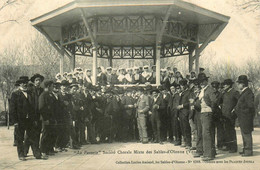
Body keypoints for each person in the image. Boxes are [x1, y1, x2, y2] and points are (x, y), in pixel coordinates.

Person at [11, 76, 43, 161]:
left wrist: (35, 119)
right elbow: (12, 109)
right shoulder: (15, 94)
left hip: (30, 120)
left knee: (33, 137)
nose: (25, 84)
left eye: (26, 83)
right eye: (23, 83)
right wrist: (15, 121)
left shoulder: (30, 93)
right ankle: (21, 155)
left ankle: (37, 154)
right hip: (20, 120)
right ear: (20, 84)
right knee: (20, 138)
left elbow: (33, 107)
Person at [24, 74, 45, 157]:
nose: (38, 82)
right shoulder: (30, 90)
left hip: (39, 115)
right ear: (33, 81)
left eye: (39, 80)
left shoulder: (42, 91)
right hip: (31, 114)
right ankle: (29, 151)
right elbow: (29, 103)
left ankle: (33, 152)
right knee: (29, 134)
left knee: (37, 133)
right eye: (36, 80)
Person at [234, 75, 255, 157]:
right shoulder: (244, 92)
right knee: (244, 133)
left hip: (246, 117)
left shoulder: (248, 93)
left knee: (246, 134)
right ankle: (246, 149)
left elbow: (250, 106)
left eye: (239, 83)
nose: (238, 85)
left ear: (243, 84)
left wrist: (241, 110)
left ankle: (248, 151)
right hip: (243, 117)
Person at [198, 73, 215, 161]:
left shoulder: (209, 90)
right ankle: (209, 153)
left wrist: (210, 110)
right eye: (200, 81)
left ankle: (208, 154)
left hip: (207, 112)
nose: (201, 83)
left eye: (203, 81)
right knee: (206, 133)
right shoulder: (203, 90)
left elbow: (213, 101)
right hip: (203, 112)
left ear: (206, 81)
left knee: (206, 133)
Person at [39, 80, 58, 159]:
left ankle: (49, 149)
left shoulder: (50, 95)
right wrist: (45, 119)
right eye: (52, 86)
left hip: (51, 118)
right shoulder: (43, 95)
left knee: (51, 134)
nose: (53, 87)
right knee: (45, 135)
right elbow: (41, 108)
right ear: (48, 86)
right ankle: (43, 151)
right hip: (46, 119)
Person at [219, 79, 239, 152]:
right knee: (226, 131)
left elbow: (239, 102)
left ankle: (233, 147)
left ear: (229, 85)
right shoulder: (224, 93)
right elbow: (219, 101)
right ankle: (228, 146)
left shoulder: (234, 92)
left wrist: (234, 110)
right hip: (224, 115)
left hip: (231, 115)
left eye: (225, 84)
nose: (223, 86)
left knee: (231, 131)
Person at [177, 79, 191, 149]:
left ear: (186, 85)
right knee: (182, 128)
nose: (181, 87)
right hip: (181, 113)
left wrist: (182, 106)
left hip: (185, 112)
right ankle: (185, 141)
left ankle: (188, 143)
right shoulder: (182, 93)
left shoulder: (189, 92)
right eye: (180, 85)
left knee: (186, 128)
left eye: (182, 85)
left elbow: (190, 102)